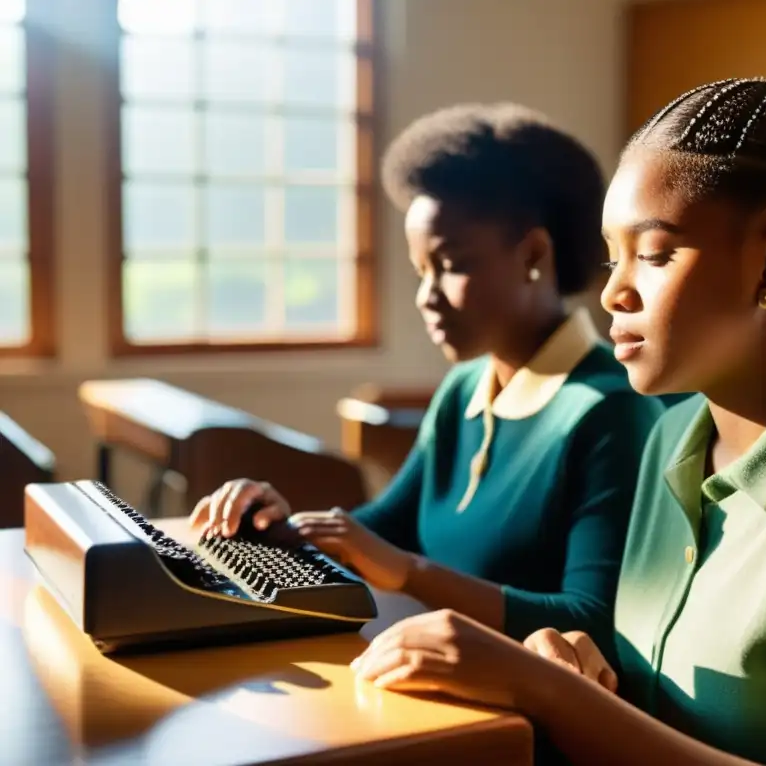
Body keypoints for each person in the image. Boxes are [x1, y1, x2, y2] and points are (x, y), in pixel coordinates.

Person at [349, 69, 766, 765]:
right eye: (612, 258)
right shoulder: (672, 439)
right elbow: (662, 709)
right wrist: (579, 671)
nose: (614, 294)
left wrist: (554, 696)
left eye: (654, 255)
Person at [189, 104, 664, 651]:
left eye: (452, 265)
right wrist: (283, 525)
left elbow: (593, 620)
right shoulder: (466, 386)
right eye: (421, 270)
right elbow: (384, 529)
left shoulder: (609, 411)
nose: (426, 297)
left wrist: (412, 573)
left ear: (534, 253)